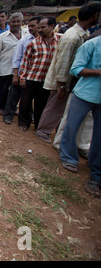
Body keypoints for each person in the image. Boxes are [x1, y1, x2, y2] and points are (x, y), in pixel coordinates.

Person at [37, 3, 101, 144]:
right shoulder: (72, 37)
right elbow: (63, 62)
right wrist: (61, 85)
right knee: (55, 106)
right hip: (63, 80)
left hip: (69, 81)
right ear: (95, 15)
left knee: (60, 108)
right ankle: (43, 130)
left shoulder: (83, 34)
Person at [59, 33, 101, 177]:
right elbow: (75, 69)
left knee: (97, 133)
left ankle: (94, 162)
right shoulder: (92, 45)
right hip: (84, 94)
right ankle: (68, 157)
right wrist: (98, 72)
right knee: (72, 126)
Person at [18, 17, 60, 131]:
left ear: (52, 26)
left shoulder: (59, 41)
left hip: (47, 79)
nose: (40, 29)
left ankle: (38, 124)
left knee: (41, 104)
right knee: (25, 102)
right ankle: (24, 122)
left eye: (43, 27)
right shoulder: (33, 43)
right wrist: (22, 77)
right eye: (39, 27)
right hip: (32, 77)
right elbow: (25, 61)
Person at [3, 16, 42, 125]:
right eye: (29, 26)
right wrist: (16, 75)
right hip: (21, 73)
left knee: (29, 99)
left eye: (33, 26)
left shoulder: (45, 42)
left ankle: (29, 119)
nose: (30, 28)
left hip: (37, 75)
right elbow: (16, 59)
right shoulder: (24, 41)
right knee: (13, 96)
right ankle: (8, 116)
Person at [0, 12, 25, 115]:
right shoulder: (3, 36)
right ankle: (1, 107)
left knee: (16, 92)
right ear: (9, 22)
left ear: (21, 22)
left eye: (18, 21)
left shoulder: (26, 35)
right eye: (13, 21)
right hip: (5, 68)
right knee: (3, 89)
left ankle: (12, 108)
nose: (15, 23)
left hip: (21, 69)